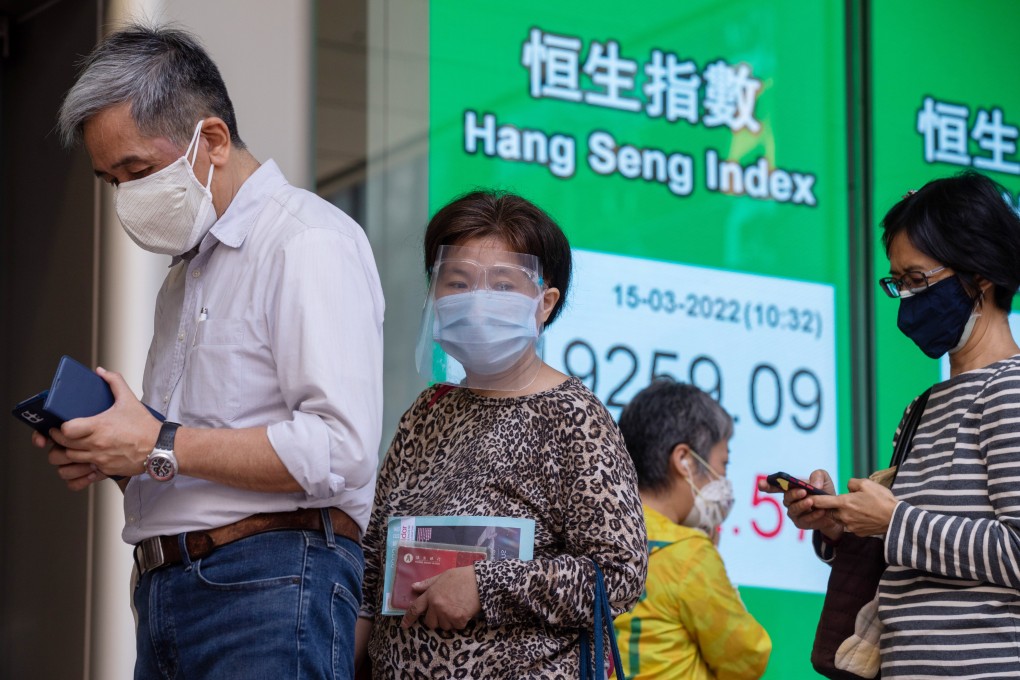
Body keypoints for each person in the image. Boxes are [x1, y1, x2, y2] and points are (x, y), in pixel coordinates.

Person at [43, 24, 384, 679]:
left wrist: (157, 443)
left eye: (137, 170)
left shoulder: (306, 241)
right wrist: (118, 451)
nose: (125, 197)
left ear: (214, 140)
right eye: (110, 180)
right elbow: (195, 450)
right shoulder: (188, 273)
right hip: (171, 590)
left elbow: (338, 448)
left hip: (271, 586)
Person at [354, 190, 647, 678]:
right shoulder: (426, 414)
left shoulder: (574, 418)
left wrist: (484, 587)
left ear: (544, 304)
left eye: (503, 286)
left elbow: (618, 574)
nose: (477, 303)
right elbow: (371, 568)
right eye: (459, 282)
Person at [761, 171, 1020, 678]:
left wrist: (895, 521)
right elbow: (917, 554)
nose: (906, 299)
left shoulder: (1009, 390)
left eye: (917, 280)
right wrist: (840, 525)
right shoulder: (922, 407)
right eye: (897, 284)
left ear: (980, 275)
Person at [613, 379, 771, 679]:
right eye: (723, 465)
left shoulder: (595, 537)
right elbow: (748, 658)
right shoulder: (687, 553)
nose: (723, 480)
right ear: (684, 460)